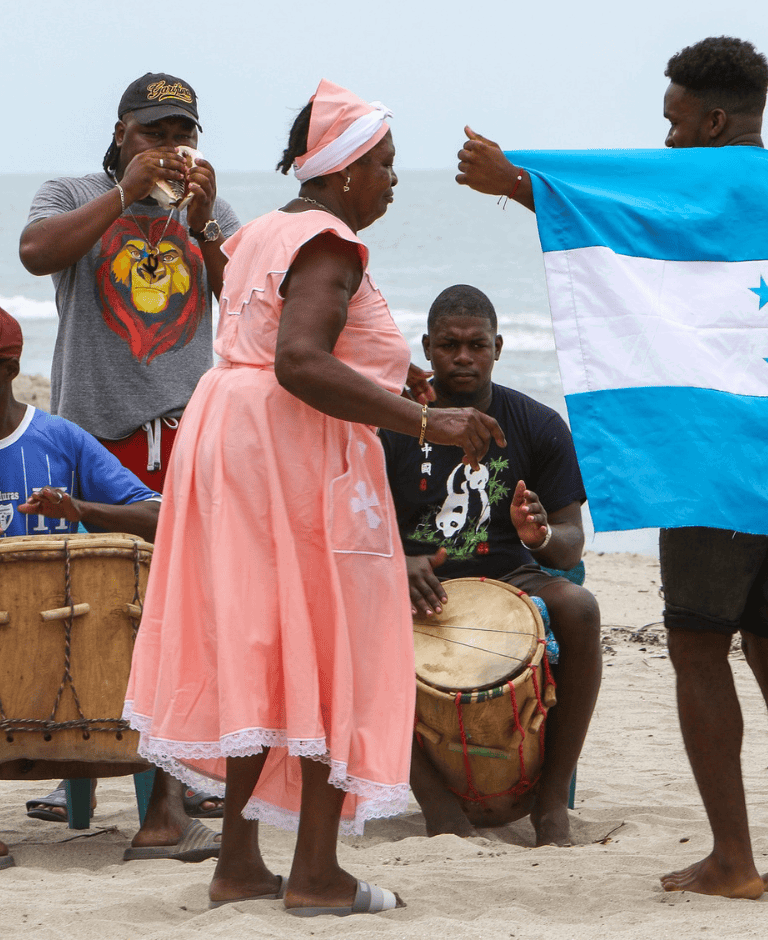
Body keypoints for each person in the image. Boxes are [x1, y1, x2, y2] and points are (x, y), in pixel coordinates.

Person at [124, 79, 506, 916]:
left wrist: (380, 369)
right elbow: (298, 359)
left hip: (231, 440)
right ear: (341, 171)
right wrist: (426, 420)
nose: (395, 182)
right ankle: (318, 874)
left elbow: (258, 324)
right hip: (296, 454)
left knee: (266, 639)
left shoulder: (265, 228)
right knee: (333, 640)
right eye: (384, 165)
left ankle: (237, 866)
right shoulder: (332, 242)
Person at [455, 36, 768, 899]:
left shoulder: (691, 182)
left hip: (711, 467)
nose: (664, 141)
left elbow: (601, 211)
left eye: (674, 123)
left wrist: (508, 177)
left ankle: (734, 862)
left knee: (701, 650)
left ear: (712, 120)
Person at [18, 72, 239, 844]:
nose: (169, 150)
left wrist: (208, 225)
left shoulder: (208, 208)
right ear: (120, 135)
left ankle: (174, 784)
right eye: (153, 135)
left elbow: (251, 304)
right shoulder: (72, 190)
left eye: (181, 136)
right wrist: (123, 196)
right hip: (95, 433)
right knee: (94, 611)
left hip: (186, 429)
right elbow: (36, 253)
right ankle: (88, 766)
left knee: (184, 609)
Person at [380, 285, 601, 847]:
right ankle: (436, 805)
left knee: (579, 607)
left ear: (498, 347)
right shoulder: (393, 425)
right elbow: (351, 523)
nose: (462, 356)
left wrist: (542, 535)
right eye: (449, 344)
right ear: (426, 347)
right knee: (347, 632)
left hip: (510, 574)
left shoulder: (537, 423)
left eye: (476, 345)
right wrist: (399, 558)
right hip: (416, 581)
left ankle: (551, 801)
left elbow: (571, 545)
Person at [0, 306, 161, 870]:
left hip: (69, 657)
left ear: (9, 365)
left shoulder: (59, 439)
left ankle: (164, 819)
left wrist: (81, 509)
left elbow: (159, 517)